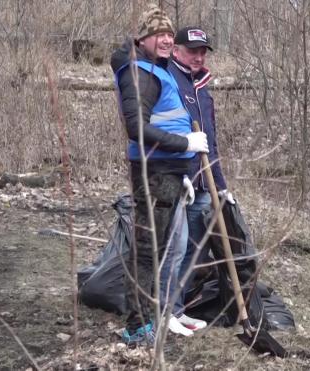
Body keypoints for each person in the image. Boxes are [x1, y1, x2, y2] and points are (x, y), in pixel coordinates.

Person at [110, 4, 209, 345]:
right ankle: (138, 327)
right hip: (154, 174)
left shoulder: (156, 68)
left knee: (169, 247)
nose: (167, 39)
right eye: (159, 34)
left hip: (168, 172)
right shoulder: (139, 73)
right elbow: (137, 128)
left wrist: (181, 167)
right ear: (143, 38)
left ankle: (159, 315)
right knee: (148, 250)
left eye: (169, 34)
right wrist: (186, 143)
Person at [158, 26, 235, 336]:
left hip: (204, 184)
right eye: (192, 51)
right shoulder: (169, 80)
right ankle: (163, 311)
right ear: (176, 50)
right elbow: (170, 132)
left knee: (194, 250)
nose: (198, 57)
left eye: (202, 51)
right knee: (173, 249)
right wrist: (183, 176)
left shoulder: (202, 86)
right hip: (180, 180)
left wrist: (220, 183)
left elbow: (210, 142)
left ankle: (177, 308)